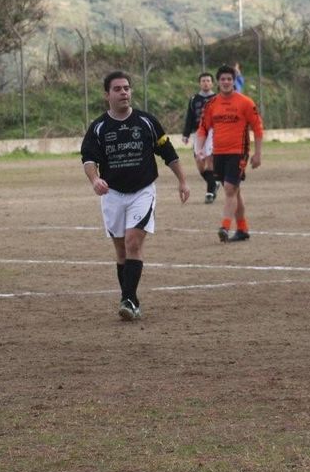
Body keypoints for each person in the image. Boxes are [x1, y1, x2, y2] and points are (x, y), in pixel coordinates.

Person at [81, 71, 190, 321]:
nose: (124, 93)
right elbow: (88, 159)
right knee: (121, 250)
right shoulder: (98, 127)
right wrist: (95, 179)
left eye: (127, 88)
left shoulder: (146, 122)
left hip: (142, 192)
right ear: (107, 95)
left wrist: (183, 181)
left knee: (132, 242)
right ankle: (131, 299)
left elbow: (168, 152)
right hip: (112, 194)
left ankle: (128, 300)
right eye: (118, 89)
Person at [195, 64, 264, 242]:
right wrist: (199, 149)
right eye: (223, 79)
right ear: (218, 82)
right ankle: (242, 229)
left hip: (238, 152)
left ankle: (224, 227)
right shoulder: (212, 104)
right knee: (235, 191)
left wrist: (258, 154)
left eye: (229, 79)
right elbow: (203, 128)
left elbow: (258, 128)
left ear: (234, 81)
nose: (226, 82)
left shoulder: (245, 102)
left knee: (229, 188)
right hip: (219, 153)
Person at [182, 72, 219, 204]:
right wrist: (186, 134)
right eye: (203, 81)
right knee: (199, 163)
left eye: (208, 81)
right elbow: (190, 117)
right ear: (199, 83)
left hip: (213, 132)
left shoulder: (218, 98)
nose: (206, 83)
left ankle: (210, 192)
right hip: (198, 133)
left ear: (212, 83)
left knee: (210, 160)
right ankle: (214, 182)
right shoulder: (194, 99)